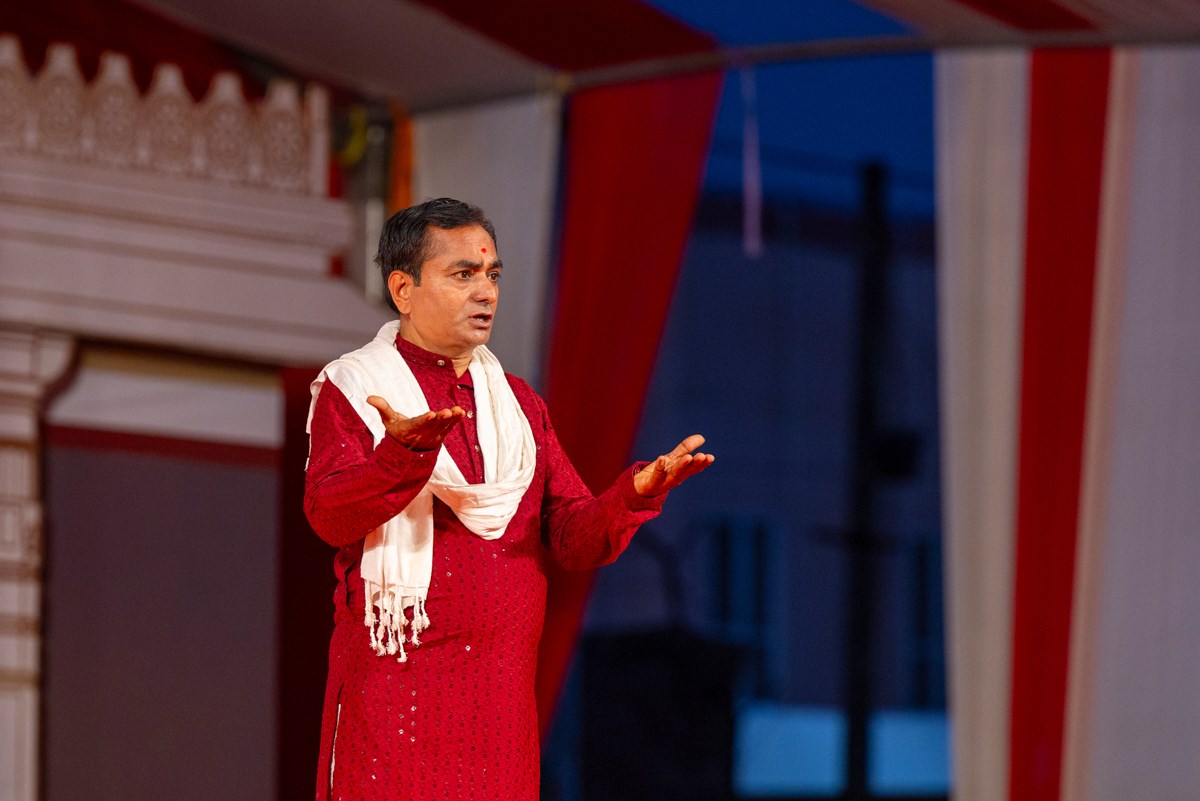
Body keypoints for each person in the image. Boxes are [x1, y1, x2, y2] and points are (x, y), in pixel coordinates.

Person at [304, 197, 712, 800]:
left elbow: (572, 538)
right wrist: (402, 456)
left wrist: (633, 494)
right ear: (403, 289)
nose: (486, 293)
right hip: (396, 705)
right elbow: (330, 515)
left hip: (498, 713)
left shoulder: (518, 404)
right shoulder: (358, 389)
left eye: (492, 275)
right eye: (463, 274)